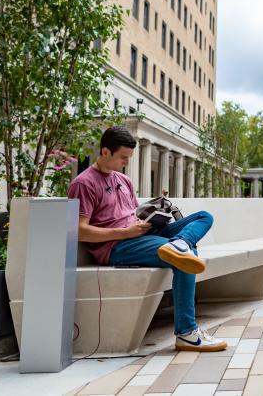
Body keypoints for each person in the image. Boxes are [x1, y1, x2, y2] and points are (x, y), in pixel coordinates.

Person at [68, 126, 227, 352]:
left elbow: (133, 214)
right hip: (116, 246)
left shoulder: (124, 180)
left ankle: (180, 243)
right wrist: (125, 233)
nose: (126, 163)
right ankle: (186, 333)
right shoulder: (84, 184)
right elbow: (80, 231)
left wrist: (155, 212)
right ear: (105, 151)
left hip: (141, 235)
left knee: (203, 217)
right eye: (123, 157)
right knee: (185, 258)